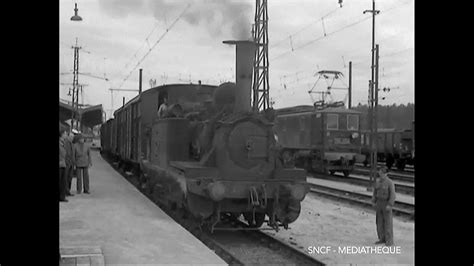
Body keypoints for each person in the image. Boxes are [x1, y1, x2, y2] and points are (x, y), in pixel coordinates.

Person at [372, 166, 396, 246]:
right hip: (379, 203)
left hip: (386, 203)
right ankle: (381, 238)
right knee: (379, 222)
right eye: (380, 173)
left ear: (386, 174)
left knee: (388, 223)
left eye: (382, 173)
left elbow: (392, 194)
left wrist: (390, 204)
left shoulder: (390, 182)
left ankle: (389, 241)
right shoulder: (377, 181)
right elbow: (374, 192)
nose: (381, 175)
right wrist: (373, 201)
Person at [64, 132, 75, 196]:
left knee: (70, 177)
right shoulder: (65, 143)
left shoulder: (72, 144)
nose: (72, 138)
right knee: (66, 177)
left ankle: (68, 191)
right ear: (68, 137)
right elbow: (66, 153)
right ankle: (66, 191)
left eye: (73, 137)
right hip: (67, 163)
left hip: (71, 163)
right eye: (71, 137)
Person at [59, 129, 68, 202]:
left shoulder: (63, 143)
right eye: (65, 133)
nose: (66, 135)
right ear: (62, 135)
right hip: (60, 164)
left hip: (63, 164)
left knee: (63, 182)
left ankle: (62, 197)